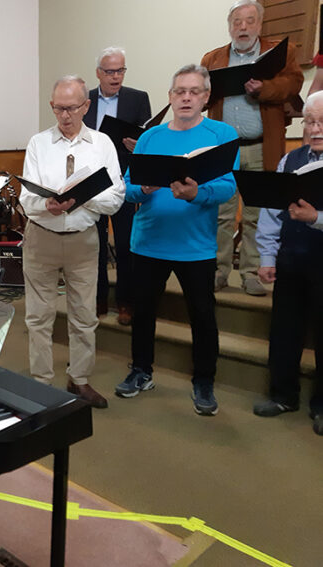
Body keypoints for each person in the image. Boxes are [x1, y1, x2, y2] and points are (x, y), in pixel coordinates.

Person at [115, 65, 239, 416]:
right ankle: (141, 371)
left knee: (202, 316)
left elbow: (228, 186)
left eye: (194, 91)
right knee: (143, 313)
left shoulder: (222, 134)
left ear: (205, 97)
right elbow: (128, 187)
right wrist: (146, 186)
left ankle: (204, 380)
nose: (186, 97)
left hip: (195, 246)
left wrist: (197, 192)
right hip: (148, 241)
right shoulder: (152, 137)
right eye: (179, 91)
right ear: (170, 98)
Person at [19, 75, 125, 409]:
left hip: (83, 240)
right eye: (59, 109)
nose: (65, 116)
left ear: (86, 106)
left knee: (84, 316)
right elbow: (26, 197)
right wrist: (47, 204)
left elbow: (116, 197)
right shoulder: (38, 143)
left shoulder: (103, 145)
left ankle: (79, 380)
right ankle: (41, 384)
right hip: (41, 238)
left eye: (73, 108)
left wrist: (83, 199)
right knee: (38, 316)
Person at [201, 0, 303, 297]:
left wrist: (264, 89)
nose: (242, 27)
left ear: (260, 24)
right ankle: (219, 270)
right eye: (237, 22)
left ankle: (251, 273)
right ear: (230, 26)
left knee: (258, 213)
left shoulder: (281, 53)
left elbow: (294, 83)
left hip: (262, 146)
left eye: (249, 21)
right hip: (223, 150)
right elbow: (202, 95)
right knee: (221, 212)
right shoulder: (213, 58)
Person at [253, 91, 323, 435]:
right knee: (284, 331)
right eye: (310, 121)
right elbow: (271, 212)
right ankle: (283, 395)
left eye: (322, 122)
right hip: (292, 259)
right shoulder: (289, 161)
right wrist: (267, 255)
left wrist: (317, 218)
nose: (315, 128)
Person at [83, 46, 152, 325]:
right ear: (99, 73)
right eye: (110, 71)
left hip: (124, 179)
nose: (116, 76)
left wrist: (138, 146)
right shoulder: (85, 100)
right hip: (91, 180)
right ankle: (98, 299)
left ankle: (125, 301)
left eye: (120, 70)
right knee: (94, 244)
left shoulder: (138, 99)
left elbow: (146, 139)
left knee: (125, 244)